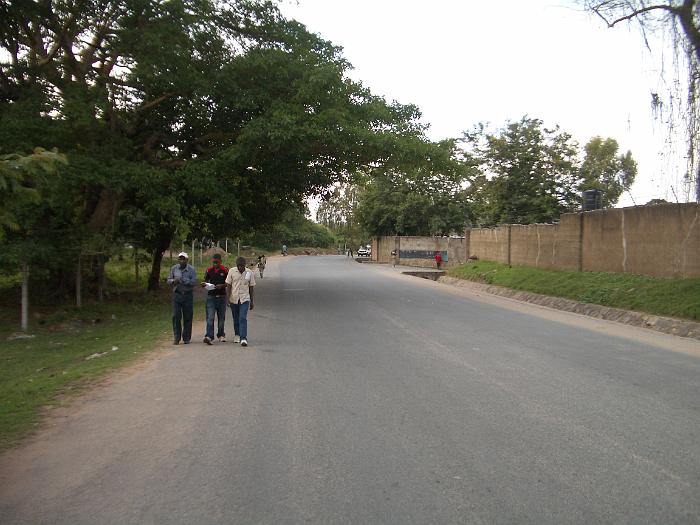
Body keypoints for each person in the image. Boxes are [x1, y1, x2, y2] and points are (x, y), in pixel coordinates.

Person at [167, 252, 197, 345]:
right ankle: (177, 337)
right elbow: (168, 280)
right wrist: (173, 281)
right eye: (180, 259)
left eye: (183, 259)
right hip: (177, 294)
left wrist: (184, 280)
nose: (182, 261)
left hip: (187, 295)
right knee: (176, 316)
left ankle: (186, 337)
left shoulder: (191, 269)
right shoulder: (174, 268)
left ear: (187, 260)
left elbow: (193, 282)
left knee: (188, 316)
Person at [226, 256, 256, 347]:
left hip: (244, 299)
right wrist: (227, 298)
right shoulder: (231, 271)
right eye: (238, 266)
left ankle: (243, 338)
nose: (240, 268)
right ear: (236, 265)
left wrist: (252, 301)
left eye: (242, 266)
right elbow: (228, 285)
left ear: (245, 265)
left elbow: (251, 287)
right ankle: (237, 334)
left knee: (242, 318)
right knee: (236, 318)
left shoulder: (249, 272)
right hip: (234, 298)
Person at [201, 253, 228, 345]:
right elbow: (205, 281)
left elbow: (228, 283)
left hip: (221, 296)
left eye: (217, 262)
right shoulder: (209, 270)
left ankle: (221, 334)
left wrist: (222, 285)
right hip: (211, 297)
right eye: (214, 262)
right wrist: (204, 284)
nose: (215, 264)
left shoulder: (225, 270)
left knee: (221, 318)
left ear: (221, 261)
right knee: (210, 317)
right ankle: (209, 336)